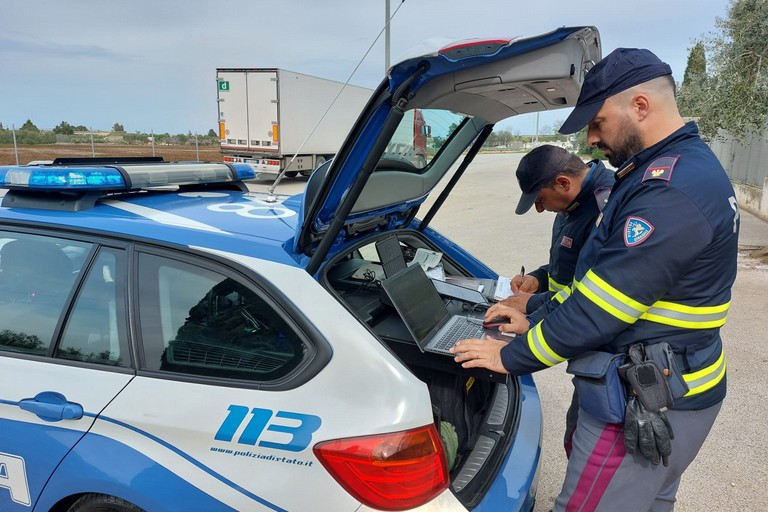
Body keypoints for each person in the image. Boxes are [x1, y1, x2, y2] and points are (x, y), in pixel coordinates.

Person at [452, 47, 739, 511]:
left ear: (640, 107)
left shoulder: (668, 190)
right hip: (673, 388)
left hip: (643, 400)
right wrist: (537, 308)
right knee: (650, 502)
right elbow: (591, 280)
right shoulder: (665, 172)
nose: (590, 139)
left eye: (598, 122)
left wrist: (511, 355)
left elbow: (600, 309)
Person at [501, 144, 613, 329]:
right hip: (564, 320)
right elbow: (573, 264)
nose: (539, 209)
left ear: (563, 183)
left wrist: (531, 304)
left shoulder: (606, 208)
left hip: (590, 330)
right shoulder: (570, 204)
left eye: (540, 199)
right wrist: (539, 279)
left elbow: (596, 292)